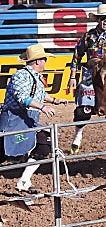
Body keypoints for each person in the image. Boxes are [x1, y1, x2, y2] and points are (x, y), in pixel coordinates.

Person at [0, 44, 68, 193]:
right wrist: (43, 107)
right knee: (3, 151)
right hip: (14, 119)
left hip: (28, 119)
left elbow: (39, 94)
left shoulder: (36, 77)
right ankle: (24, 180)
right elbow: (22, 98)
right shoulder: (20, 75)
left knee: (44, 145)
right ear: (37, 61)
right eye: (44, 59)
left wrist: (55, 100)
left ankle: (24, 181)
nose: (45, 61)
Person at [67, 4, 106, 154]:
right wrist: (72, 76)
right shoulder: (89, 36)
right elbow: (77, 55)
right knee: (83, 110)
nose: (105, 21)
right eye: (102, 18)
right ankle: (77, 137)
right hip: (91, 75)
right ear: (98, 20)